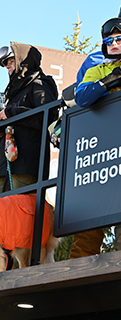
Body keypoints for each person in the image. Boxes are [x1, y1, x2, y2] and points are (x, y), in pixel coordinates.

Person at [71, 16, 121, 257]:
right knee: (88, 225)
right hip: (100, 155)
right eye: (109, 40)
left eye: (119, 39)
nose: (113, 43)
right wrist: (108, 81)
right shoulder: (96, 69)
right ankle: (75, 285)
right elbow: (81, 96)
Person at [0, 42, 58, 196]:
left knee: (16, 213)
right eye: (6, 63)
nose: (7, 66)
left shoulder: (40, 84)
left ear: (24, 62)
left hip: (26, 166)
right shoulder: (13, 93)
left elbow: (47, 117)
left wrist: (10, 112)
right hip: (3, 167)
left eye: (11, 61)